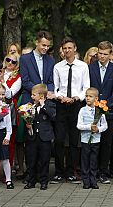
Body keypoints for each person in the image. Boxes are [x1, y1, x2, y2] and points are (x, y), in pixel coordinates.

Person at [53, 37, 90, 184]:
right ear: (62, 50)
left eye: (70, 48)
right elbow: (55, 87)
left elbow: (86, 87)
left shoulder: (83, 66)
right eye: (65, 48)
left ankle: (71, 171)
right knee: (59, 139)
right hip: (61, 105)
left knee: (74, 141)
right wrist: (61, 97)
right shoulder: (58, 67)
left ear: (75, 48)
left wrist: (75, 98)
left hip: (76, 105)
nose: (67, 50)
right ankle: (58, 172)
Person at [88, 41, 113, 184]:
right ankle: (93, 171)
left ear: (110, 54)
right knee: (93, 142)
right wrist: (95, 104)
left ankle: (103, 171)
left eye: (105, 54)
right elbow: (88, 86)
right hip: (92, 110)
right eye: (100, 53)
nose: (102, 56)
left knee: (106, 143)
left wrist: (106, 105)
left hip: (109, 111)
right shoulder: (90, 68)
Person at [24, 84, 56, 190]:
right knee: (32, 159)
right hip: (33, 136)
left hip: (45, 137)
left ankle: (44, 181)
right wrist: (28, 124)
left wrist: (43, 106)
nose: (32, 97)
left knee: (44, 160)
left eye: (34, 95)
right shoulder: (30, 106)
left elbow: (53, 115)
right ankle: (31, 180)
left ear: (41, 96)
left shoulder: (49, 105)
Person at [77, 87, 108, 189]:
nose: (87, 98)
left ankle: (93, 180)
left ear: (96, 98)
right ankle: (86, 181)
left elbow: (105, 125)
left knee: (94, 160)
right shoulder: (82, 110)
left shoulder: (100, 111)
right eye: (86, 96)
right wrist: (89, 127)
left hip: (96, 140)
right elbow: (79, 125)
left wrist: (98, 129)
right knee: (85, 160)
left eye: (90, 96)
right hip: (85, 140)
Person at [0, 54, 22, 168]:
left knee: (10, 140)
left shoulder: (18, 77)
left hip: (10, 108)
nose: (10, 63)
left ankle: (8, 169)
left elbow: (10, 94)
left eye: (13, 62)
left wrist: (3, 81)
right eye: (8, 60)